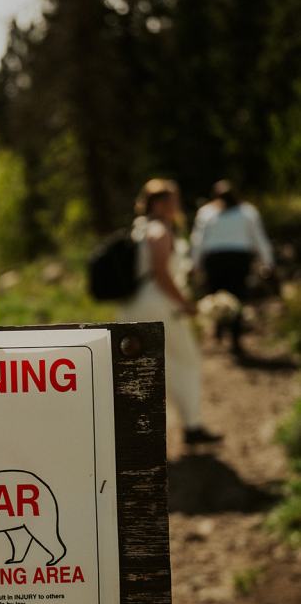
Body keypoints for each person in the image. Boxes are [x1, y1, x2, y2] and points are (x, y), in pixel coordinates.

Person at [117, 178, 221, 446]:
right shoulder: (159, 230)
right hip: (159, 303)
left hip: (134, 304)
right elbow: (161, 273)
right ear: (161, 203)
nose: (177, 206)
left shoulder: (139, 228)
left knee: (145, 366)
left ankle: (136, 432)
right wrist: (185, 303)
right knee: (186, 360)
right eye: (173, 200)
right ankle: (192, 425)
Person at [190, 180, 275, 355]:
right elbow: (259, 238)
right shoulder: (214, 212)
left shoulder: (243, 212)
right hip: (231, 260)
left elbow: (197, 241)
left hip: (226, 260)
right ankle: (222, 332)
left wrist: (195, 263)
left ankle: (230, 336)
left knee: (232, 297)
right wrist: (267, 262)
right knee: (224, 297)